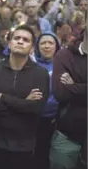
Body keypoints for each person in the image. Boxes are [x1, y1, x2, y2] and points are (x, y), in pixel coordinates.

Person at [0, 25, 50, 169]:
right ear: (9, 43)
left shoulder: (40, 74)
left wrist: (4, 98)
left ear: (32, 48)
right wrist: (24, 102)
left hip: (24, 146)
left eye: (26, 40)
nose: (20, 41)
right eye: (17, 38)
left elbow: (36, 108)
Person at [50, 31, 87, 169]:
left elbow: (69, 90)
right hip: (67, 135)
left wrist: (74, 86)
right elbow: (60, 93)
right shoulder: (65, 55)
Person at [33, 32, 61, 169]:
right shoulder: (31, 64)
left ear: (57, 46)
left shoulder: (62, 65)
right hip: (33, 119)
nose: (47, 46)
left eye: (50, 43)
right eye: (43, 43)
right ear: (37, 46)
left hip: (56, 120)